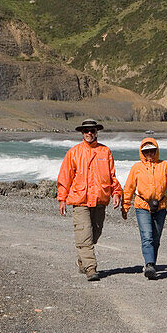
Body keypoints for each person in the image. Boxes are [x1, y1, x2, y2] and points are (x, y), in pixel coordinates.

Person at [56, 119, 122, 281]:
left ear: (96, 132)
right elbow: (65, 177)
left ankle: (82, 260)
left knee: (95, 233)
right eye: (86, 131)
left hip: (100, 199)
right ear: (82, 133)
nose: (89, 133)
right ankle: (91, 268)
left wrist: (116, 193)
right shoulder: (74, 152)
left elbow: (112, 176)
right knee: (84, 234)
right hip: (80, 199)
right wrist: (62, 198)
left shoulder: (105, 152)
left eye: (92, 130)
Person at [121, 137, 167, 280]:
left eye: (152, 151)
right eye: (146, 151)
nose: (149, 154)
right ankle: (149, 265)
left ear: (156, 150)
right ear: (142, 152)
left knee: (156, 238)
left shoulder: (165, 166)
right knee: (147, 236)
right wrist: (125, 206)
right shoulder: (136, 168)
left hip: (160, 206)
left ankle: (151, 263)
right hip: (142, 206)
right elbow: (129, 188)